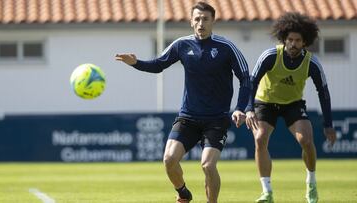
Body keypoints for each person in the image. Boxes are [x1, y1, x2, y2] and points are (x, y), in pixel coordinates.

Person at [115, 2, 250, 203]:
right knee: (169, 160)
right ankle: (183, 193)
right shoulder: (181, 45)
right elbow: (158, 65)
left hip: (216, 119)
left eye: (205, 19)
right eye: (197, 19)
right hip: (188, 117)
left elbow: (246, 78)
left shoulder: (226, 47)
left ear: (213, 21)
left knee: (208, 165)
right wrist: (136, 63)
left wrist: (241, 108)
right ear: (190, 22)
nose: (201, 23)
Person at [244, 12, 337, 203]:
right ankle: (267, 192)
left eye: (298, 40)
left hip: (293, 104)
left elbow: (324, 93)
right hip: (265, 102)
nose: (293, 44)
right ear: (284, 39)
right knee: (260, 138)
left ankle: (311, 183)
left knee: (306, 140)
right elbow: (251, 82)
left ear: (305, 42)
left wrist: (328, 124)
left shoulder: (312, 63)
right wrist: (248, 109)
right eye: (290, 40)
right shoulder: (270, 56)